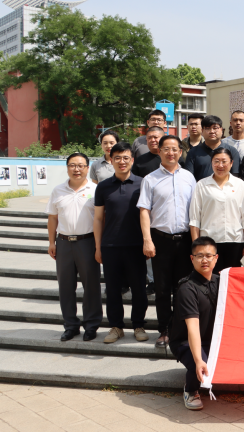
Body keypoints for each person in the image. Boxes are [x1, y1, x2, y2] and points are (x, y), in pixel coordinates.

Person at [138, 134, 198, 349]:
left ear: (180, 152)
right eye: (166, 149)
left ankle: (180, 329)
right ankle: (164, 329)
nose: (171, 153)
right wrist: (147, 240)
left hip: (185, 241)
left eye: (175, 149)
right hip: (160, 240)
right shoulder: (150, 179)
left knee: (183, 288)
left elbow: (195, 211)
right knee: (162, 289)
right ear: (159, 151)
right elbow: (144, 211)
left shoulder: (189, 178)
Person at [93, 142, 148, 344]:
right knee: (113, 289)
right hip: (111, 246)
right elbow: (98, 218)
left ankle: (138, 325)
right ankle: (116, 327)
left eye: (126, 158)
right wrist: (98, 247)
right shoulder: (103, 186)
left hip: (136, 245)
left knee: (139, 289)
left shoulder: (143, 183)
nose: (122, 162)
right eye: (117, 158)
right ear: (111, 160)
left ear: (132, 160)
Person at [46, 153, 101, 342]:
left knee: (91, 285)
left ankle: (91, 325)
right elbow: (52, 217)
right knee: (65, 286)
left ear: (87, 168)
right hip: (63, 243)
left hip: (88, 242)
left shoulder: (96, 189)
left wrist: (99, 246)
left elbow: (101, 219)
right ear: (67, 167)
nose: (76, 169)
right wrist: (51, 242)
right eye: (72, 165)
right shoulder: (58, 190)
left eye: (80, 165)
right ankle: (70, 325)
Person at [169, 236, 220, 411]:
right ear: (192, 258)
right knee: (203, 363)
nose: (204, 260)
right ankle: (190, 390)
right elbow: (192, 328)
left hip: (212, 338)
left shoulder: (221, 282)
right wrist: (198, 360)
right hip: (185, 341)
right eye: (199, 256)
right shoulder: (187, 288)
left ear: (216, 258)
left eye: (209, 255)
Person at [189, 148, 244, 274]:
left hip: (235, 241)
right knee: (210, 279)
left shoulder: (239, 184)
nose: (220, 165)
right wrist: (196, 246)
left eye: (224, 161)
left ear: (231, 163)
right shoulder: (201, 185)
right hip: (209, 243)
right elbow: (195, 219)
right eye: (216, 161)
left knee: (231, 278)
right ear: (211, 163)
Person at [184, 115, 241, 181]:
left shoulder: (232, 151)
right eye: (207, 128)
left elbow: (235, 177)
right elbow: (189, 178)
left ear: (221, 130)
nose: (212, 131)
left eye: (215, 128)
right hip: (202, 187)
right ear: (202, 131)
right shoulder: (193, 152)